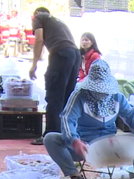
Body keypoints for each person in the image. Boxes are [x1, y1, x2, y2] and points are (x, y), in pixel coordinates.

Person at [44, 60, 134, 179]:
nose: (101, 93)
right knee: (50, 138)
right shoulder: (79, 96)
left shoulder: (117, 97)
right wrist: (74, 140)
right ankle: (74, 175)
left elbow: (132, 114)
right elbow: (67, 119)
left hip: (111, 147)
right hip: (85, 148)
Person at [29, 7, 81, 146]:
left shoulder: (39, 18)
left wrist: (34, 65)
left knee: (54, 96)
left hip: (61, 54)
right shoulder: (58, 21)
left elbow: (39, 40)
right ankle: (66, 134)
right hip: (75, 55)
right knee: (66, 98)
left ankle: (50, 136)